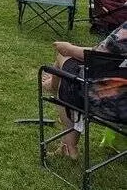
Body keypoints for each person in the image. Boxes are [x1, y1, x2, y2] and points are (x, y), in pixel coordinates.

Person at [40, 21, 127, 159]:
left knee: (64, 58)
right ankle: (53, 84)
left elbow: (99, 54)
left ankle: (69, 147)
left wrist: (69, 48)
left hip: (107, 104)